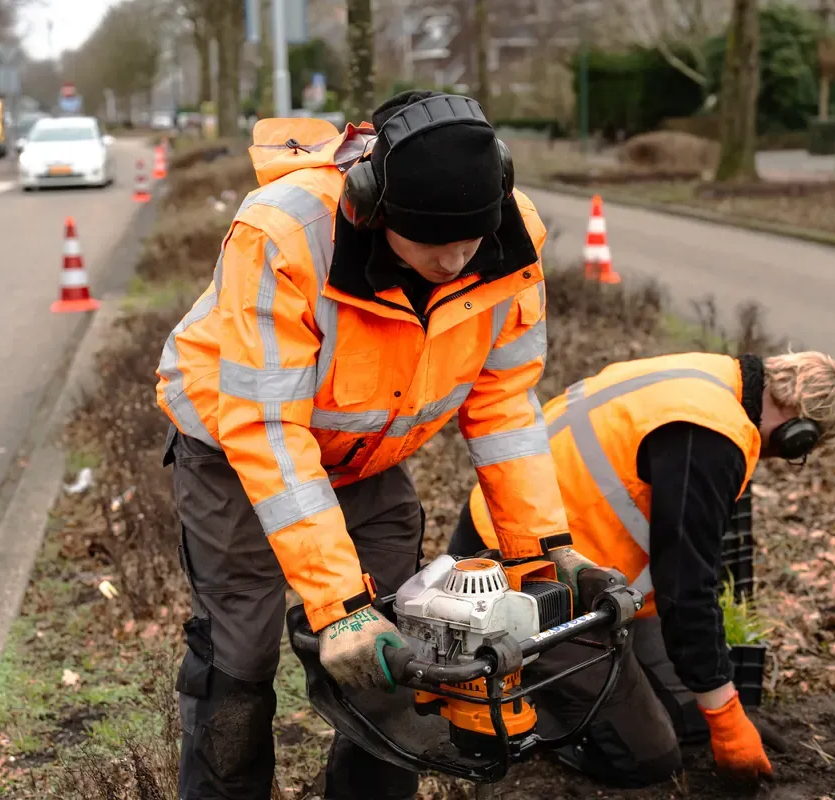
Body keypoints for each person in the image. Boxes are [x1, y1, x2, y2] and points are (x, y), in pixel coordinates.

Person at [156, 90, 592, 800]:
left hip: (366, 455)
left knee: (403, 641)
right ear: (371, 209)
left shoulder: (514, 239)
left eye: (470, 242)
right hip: (237, 449)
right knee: (239, 655)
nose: (456, 261)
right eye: (432, 243)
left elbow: (505, 403)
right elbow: (267, 429)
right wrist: (337, 608)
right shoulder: (284, 235)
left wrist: (541, 552)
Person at [450, 350, 835, 787]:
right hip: (524, 582)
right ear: (799, 433)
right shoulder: (711, 437)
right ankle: (525, 705)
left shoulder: (710, 377)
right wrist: (726, 717)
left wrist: (716, 705)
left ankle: (583, 690)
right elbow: (686, 589)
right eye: (803, 451)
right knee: (646, 758)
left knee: (689, 720)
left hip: (548, 556)